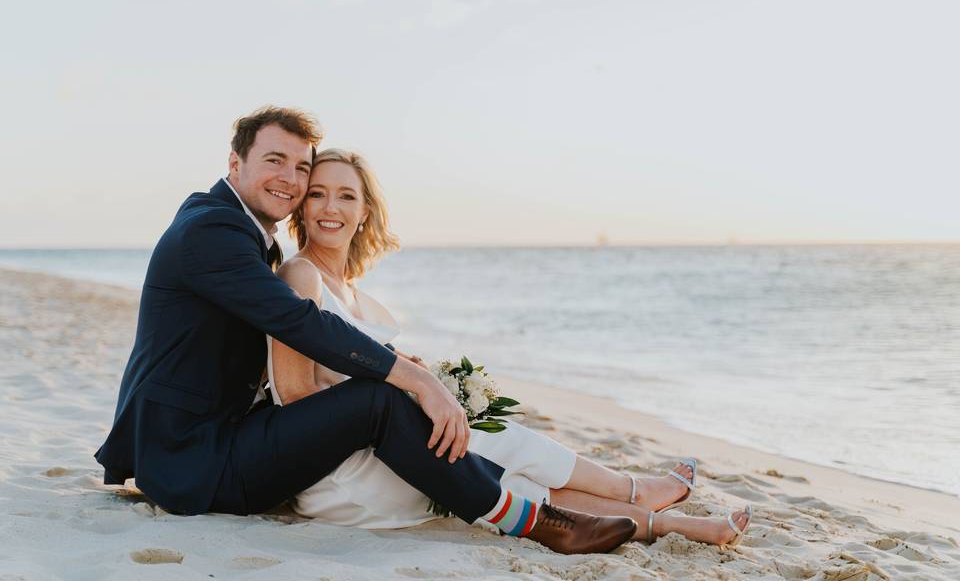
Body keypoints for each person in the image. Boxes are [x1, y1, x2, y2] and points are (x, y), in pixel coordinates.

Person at [93, 106, 638, 555]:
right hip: (195, 462)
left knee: (389, 400)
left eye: (300, 166)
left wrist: (406, 375)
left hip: (214, 441)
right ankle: (536, 523)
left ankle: (576, 502)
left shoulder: (243, 231)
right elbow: (297, 321)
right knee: (378, 400)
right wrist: (414, 380)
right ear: (235, 163)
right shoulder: (213, 229)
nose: (290, 178)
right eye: (274, 160)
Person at [269, 147, 753, 547]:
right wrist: (408, 393)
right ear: (302, 208)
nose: (330, 208)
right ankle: (637, 491)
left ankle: (662, 522)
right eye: (318, 195)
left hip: (391, 454)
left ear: (364, 211)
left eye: (345, 195)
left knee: (502, 467)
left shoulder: (353, 291)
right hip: (346, 477)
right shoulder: (300, 275)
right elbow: (295, 396)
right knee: (491, 444)